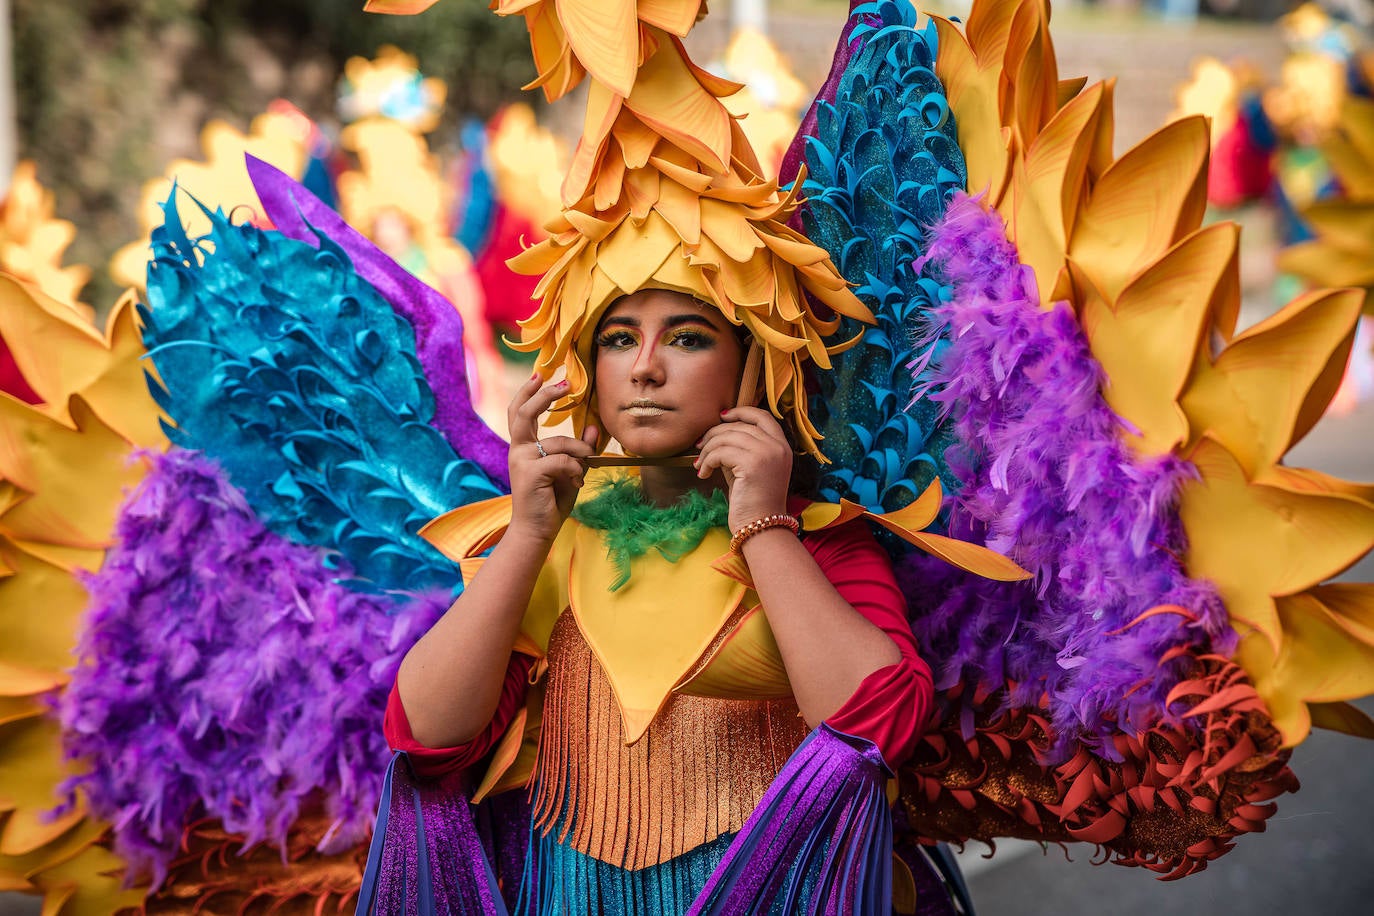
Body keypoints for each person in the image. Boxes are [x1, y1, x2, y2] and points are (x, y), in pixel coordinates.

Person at [381, 285, 941, 911]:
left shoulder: (816, 538)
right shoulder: (556, 542)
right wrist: (529, 534)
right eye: (618, 340)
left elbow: (875, 731)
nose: (645, 367)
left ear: (754, 368)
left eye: (687, 338)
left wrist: (761, 525)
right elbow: (424, 738)